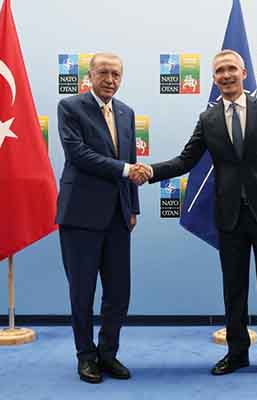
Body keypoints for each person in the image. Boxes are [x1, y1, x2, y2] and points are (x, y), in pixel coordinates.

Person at [148, 49, 257, 380]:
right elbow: (185, 160)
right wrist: (151, 172)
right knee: (234, 289)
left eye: (231, 68)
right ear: (213, 79)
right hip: (229, 216)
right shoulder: (208, 119)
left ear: (244, 73)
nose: (226, 75)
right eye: (219, 71)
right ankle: (237, 352)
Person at [56, 52, 150, 383]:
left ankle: (108, 354)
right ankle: (85, 356)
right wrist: (125, 170)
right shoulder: (70, 107)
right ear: (90, 75)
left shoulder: (126, 112)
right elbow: (78, 154)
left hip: (118, 217)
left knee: (119, 292)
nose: (110, 80)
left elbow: (131, 159)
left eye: (116, 74)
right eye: (104, 73)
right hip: (80, 215)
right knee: (82, 292)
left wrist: (133, 207)